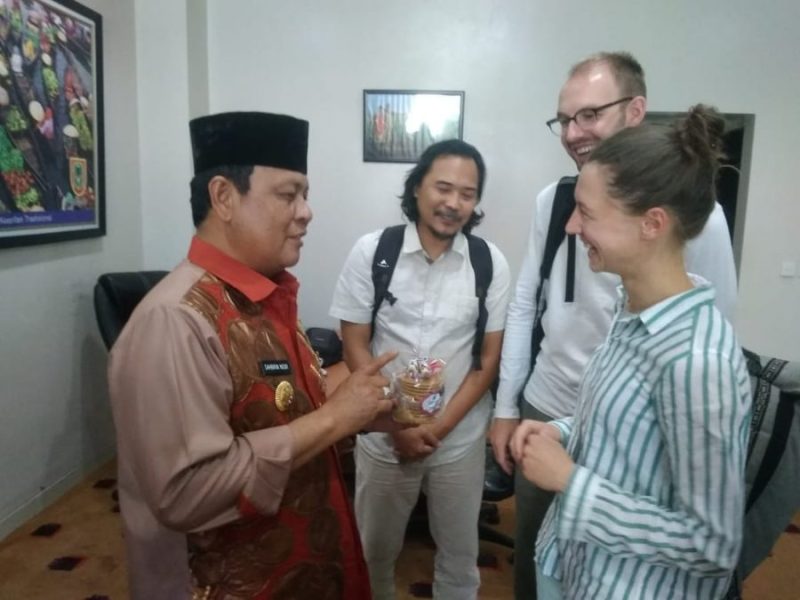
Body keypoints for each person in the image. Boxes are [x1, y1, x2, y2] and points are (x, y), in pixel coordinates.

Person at [108, 111, 399, 600]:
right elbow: (187, 493)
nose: (306, 212)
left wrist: (363, 411)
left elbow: (278, 410)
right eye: (288, 195)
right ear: (224, 197)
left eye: (305, 194)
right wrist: (335, 419)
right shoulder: (177, 321)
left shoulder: (263, 296)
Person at [489, 51, 739, 599]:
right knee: (540, 559)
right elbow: (529, 303)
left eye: (589, 115)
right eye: (564, 119)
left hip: (632, 570)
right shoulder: (630, 314)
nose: (573, 132)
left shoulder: (696, 359)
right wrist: (552, 427)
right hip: (562, 425)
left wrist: (571, 481)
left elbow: (709, 543)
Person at [329, 139, 511, 599]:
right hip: (384, 437)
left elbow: (487, 361)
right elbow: (354, 343)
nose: (453, 203)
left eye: (467, 194)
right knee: (374, 552)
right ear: (416, 188)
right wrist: (398, 426)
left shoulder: (489, 264)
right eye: (442, 188)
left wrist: (438, 428)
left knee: (459, 555)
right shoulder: (373, 252)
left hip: (459, 438)